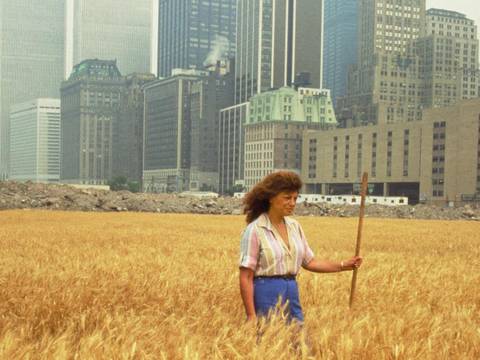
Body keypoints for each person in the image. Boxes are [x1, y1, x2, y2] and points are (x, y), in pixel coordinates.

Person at [239, 171, 363, 324]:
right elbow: (246, 276)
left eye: (295, 198)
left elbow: (310, 262)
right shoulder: (255, 230)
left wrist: (344, 265)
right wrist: (251, 315)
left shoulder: (294, 226)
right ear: (271, 198)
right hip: (266, 291)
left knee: (298, 341)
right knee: (268, 339)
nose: (292, 203)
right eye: (287, 198)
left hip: (291, 290)